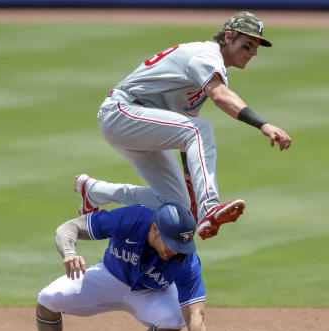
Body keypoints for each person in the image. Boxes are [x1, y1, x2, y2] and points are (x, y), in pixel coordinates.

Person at [78, 10, 291, 240]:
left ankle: (94, 191)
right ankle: (210, 206)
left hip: (139, 122)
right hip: (122, 112)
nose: (253, 52)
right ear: (228, 37)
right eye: (247, 44)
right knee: (201, 129)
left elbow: (184, 132)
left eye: (256, 46)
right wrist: (263, 125)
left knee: (177, 202)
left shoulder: (210, 69)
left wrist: (189, 182)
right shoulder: (205, 56)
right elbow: (220, 97)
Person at [16, 201, 217, 331]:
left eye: (182, 245)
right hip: (109, 276)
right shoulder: (133, 218)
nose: (177, 251)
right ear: (155, 229)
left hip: (152, 293)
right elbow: (69, 227)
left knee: (175, 321)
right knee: (48, 298)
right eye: (172, 243)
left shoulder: (188, 262)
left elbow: (196, 317)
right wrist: (69, 253)